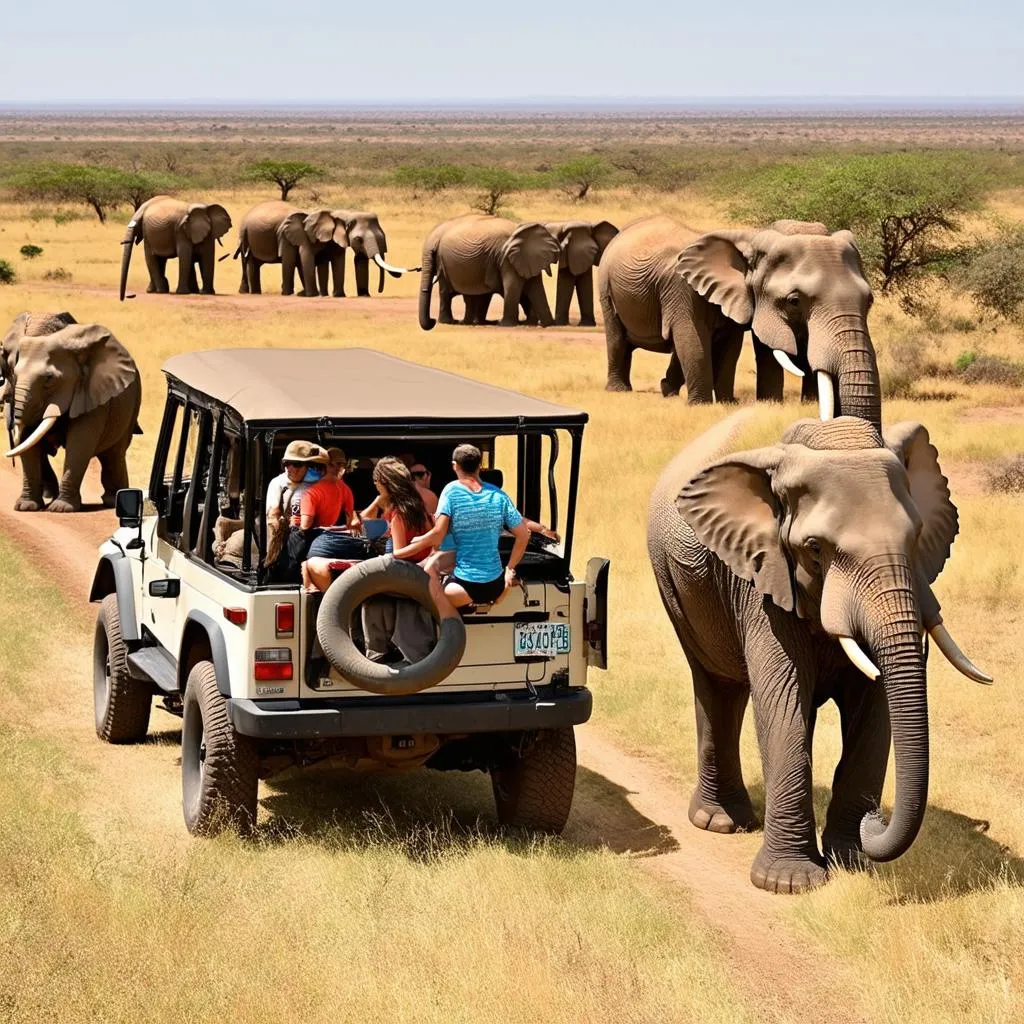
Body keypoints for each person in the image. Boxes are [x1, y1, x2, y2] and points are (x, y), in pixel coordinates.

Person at [393, 443, 530, 616]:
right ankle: (497, 597)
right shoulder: (499, 495)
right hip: (495, 584)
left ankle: (446, 623)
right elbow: (524, 535)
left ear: (454, 466)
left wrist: (409, 546)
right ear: (480, 466)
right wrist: (510, 568)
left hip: (462, 586)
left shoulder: (451, 491)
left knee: (431, 570)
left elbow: (437, 535)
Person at [264, 440, 329, 572]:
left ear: (308, 466)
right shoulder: (278, 483)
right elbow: (272, 517)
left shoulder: (316, 483)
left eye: (297, 464)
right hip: (290, 537)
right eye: (286, 463)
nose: (290, 468)